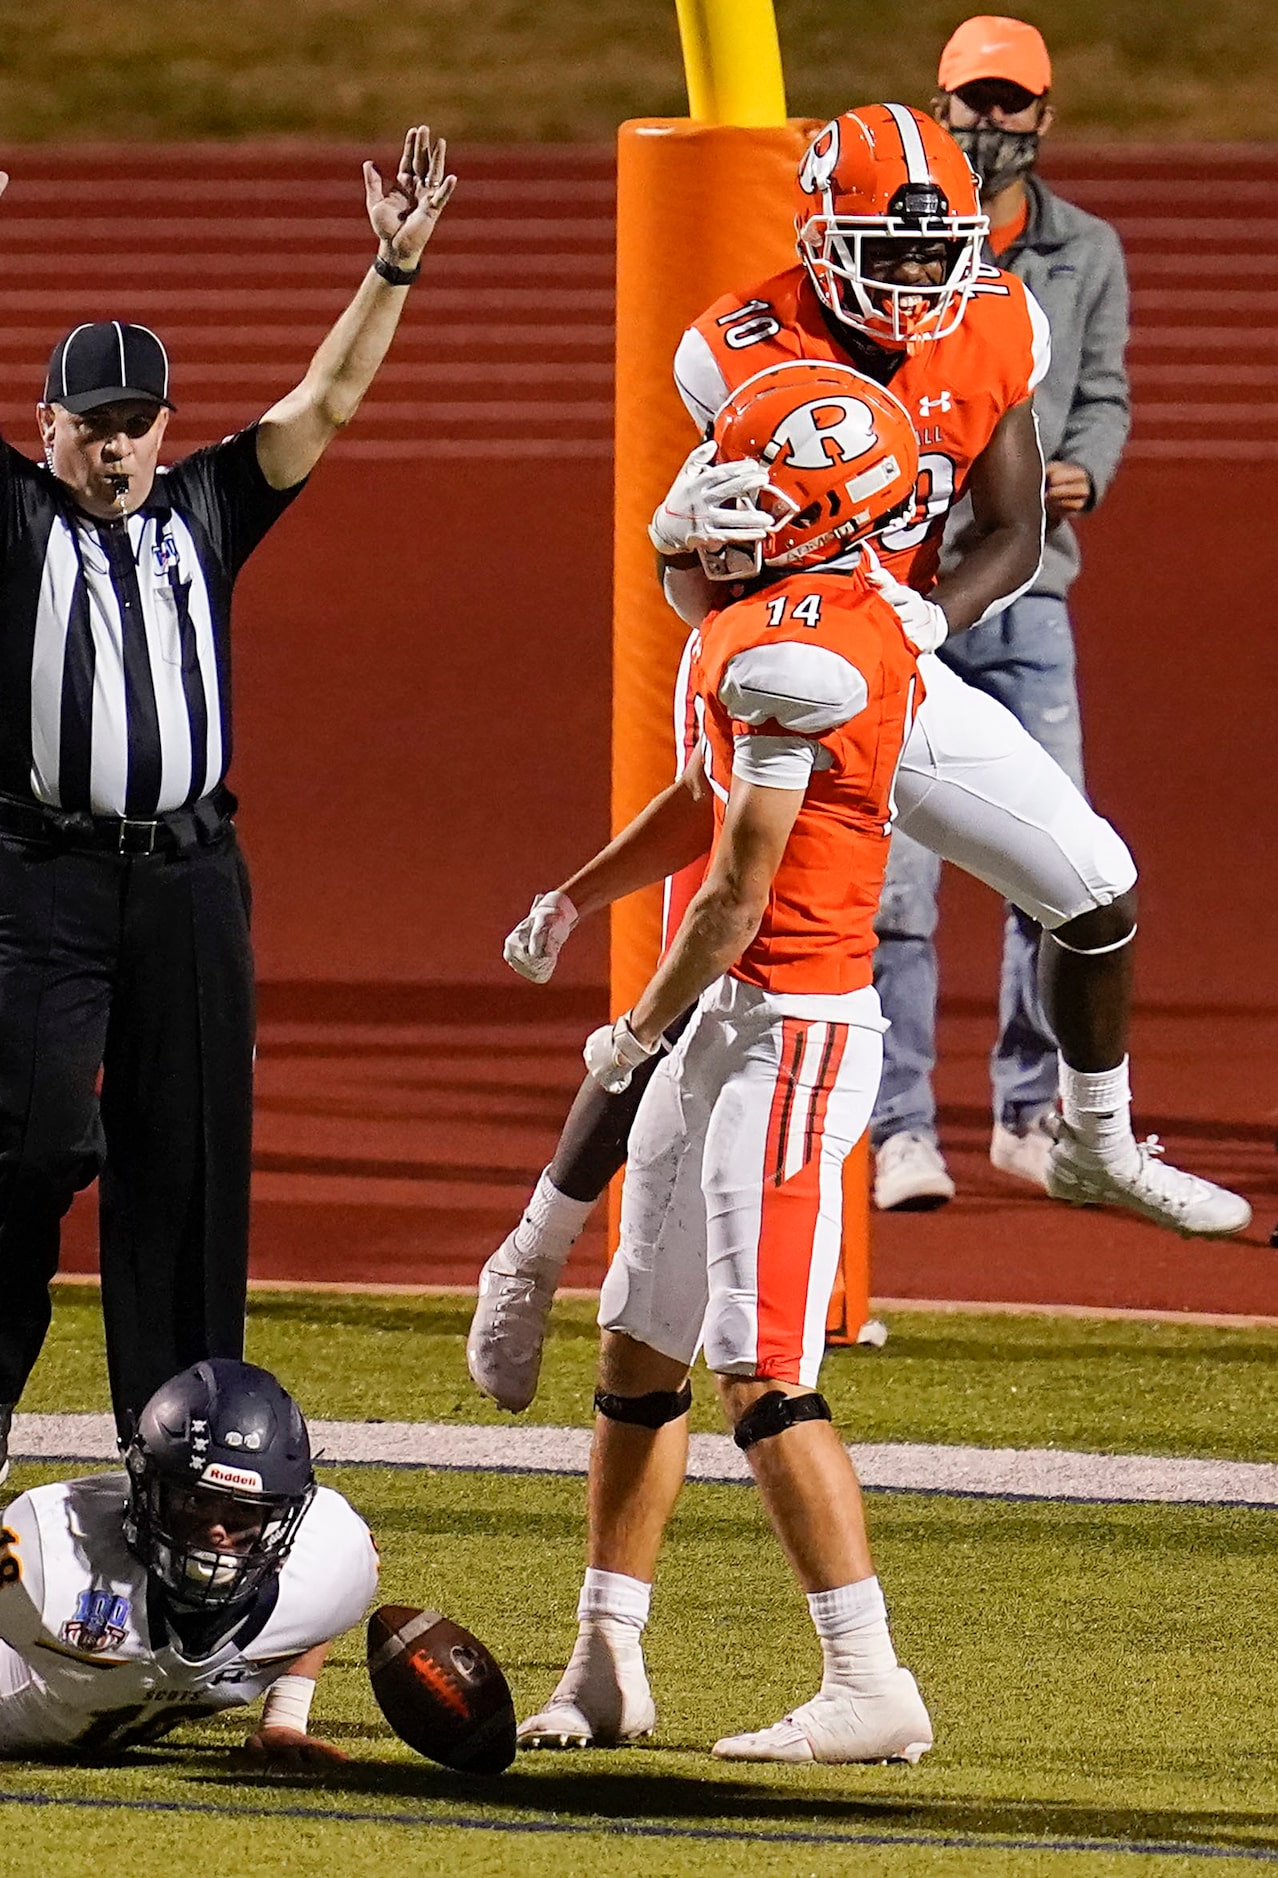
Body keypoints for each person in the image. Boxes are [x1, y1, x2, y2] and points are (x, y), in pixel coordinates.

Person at [467, 100, 1248, 1417]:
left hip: (892, 661)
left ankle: (1094, 1138)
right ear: (820, 240)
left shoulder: (991, 318)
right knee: (696, 995)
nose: (907, 282)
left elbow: (1008, 523)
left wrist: (925, 615)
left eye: (928, 254)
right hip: (772, 662)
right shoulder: (738, 347)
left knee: (1097, 888)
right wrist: (742, 604)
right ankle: (533, 1246)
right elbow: (686, 572)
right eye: (880, 255)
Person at [0, 116, 454, 1491]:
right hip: (40, 874)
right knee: (37, 1142)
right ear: (50, 430)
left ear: (165, 422)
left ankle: (181, 1440)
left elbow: (318, 408)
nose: (115, 449)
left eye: (136, 423)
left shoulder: (207, 506)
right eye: (90, 427)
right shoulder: (12, 518)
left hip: (193, 875)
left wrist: (388, 273)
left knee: (189, 1167)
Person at [510, 362, 931, 1761]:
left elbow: (741, 890)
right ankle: (606, 1656)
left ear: (830, 517)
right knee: (638, 1335)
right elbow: (701, 797)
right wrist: (575, 896)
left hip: (794, 1030)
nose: (718, 507)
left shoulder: (807, 653)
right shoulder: (757, 630)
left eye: (759, 494)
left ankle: (868, 1677)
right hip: (734, 1020)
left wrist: (634, 1031)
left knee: (758, 1358)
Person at [871, 17, 1133, 1207]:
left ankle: (1030, 1111)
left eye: (1008, 105)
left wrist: (1082, 466)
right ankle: (897, 1125)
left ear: (1043, 117)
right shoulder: (894, 249)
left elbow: (1105, 395)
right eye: (968, 104)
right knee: (894, 886)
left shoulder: (1085, 253)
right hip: (908, 587)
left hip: (1030, 591)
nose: (987, 127)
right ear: (935, 110)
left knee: (1058, 865)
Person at [0, 1361, 377, 1781]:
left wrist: (284, 1721)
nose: (219, 1531)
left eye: (244, 1513)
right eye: (193, 1502)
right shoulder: (57, 1559)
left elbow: (312, 1607)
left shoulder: (324, 1560)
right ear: (146, 1490)